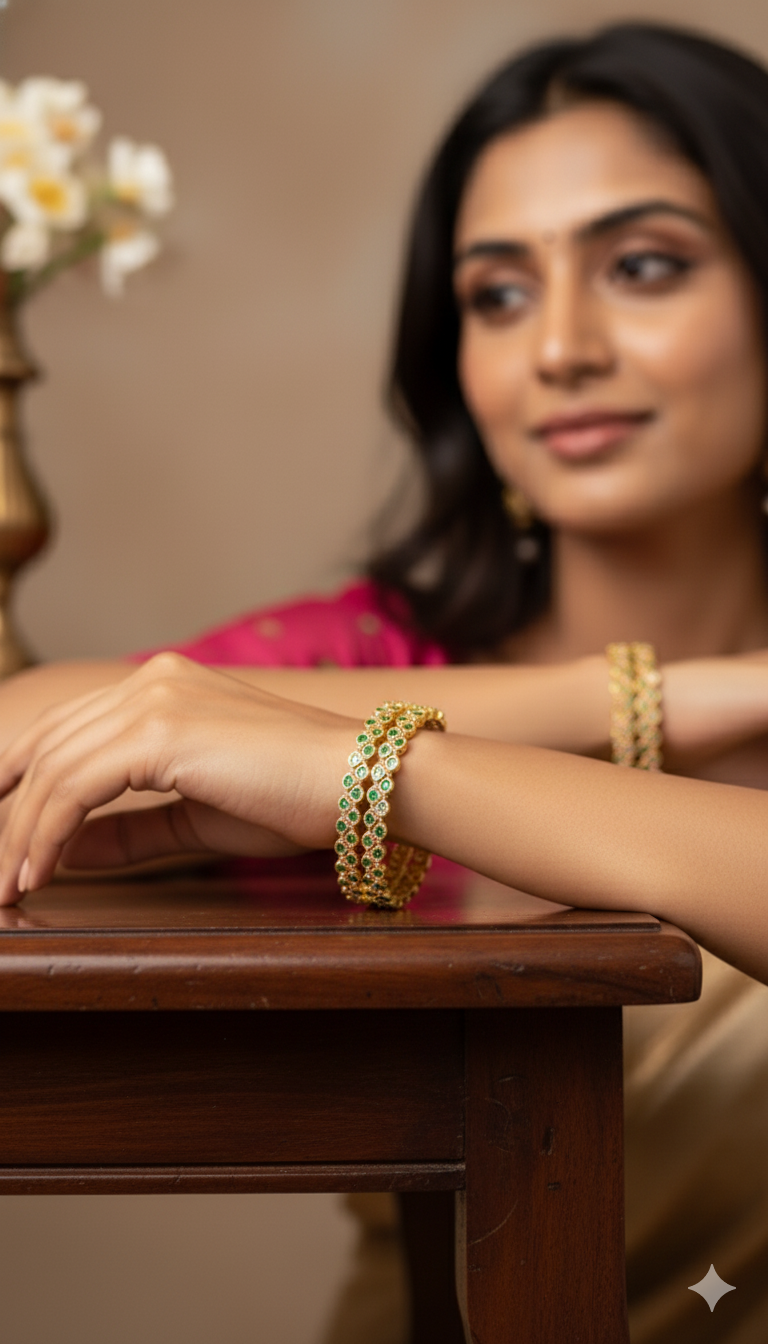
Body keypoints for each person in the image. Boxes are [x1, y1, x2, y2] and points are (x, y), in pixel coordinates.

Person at [0, 19, 767, 1343]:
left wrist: (384, 776)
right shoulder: (385, 662)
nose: (561, 349)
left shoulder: (362, 725)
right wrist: (655, 701)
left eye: (643, 267)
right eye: (497, 294)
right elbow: (17, 754)